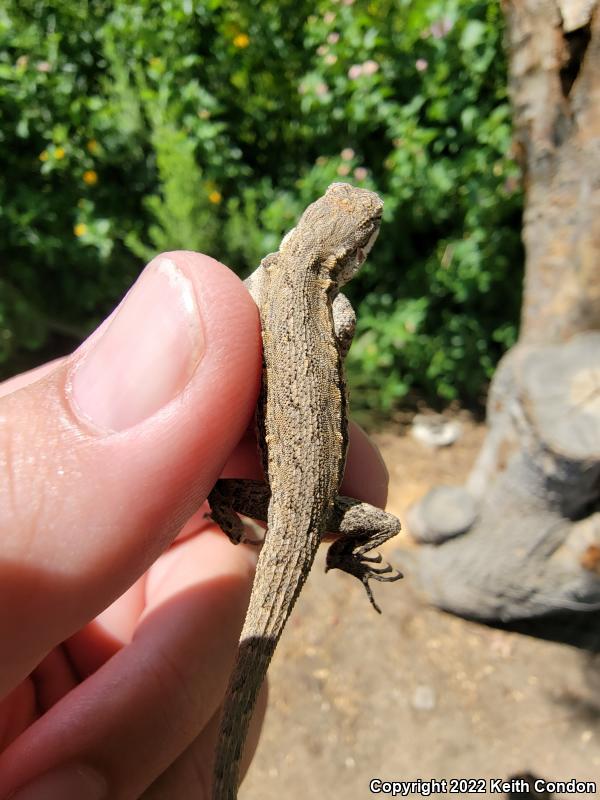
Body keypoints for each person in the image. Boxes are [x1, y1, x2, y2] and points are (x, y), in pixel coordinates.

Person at [0, 252, 392, 799]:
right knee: (382, 521)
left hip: (276, 499)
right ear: (350, 254)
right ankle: (343, 554)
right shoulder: (337, 307)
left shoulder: (274, 273)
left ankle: (238, 525)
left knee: (222, 509)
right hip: (309, 505)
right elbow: (342, 328)